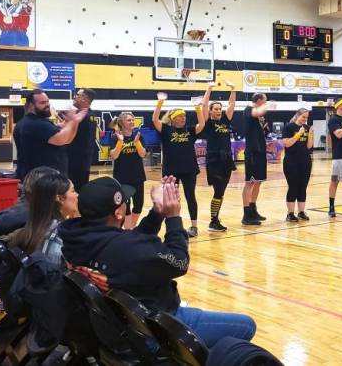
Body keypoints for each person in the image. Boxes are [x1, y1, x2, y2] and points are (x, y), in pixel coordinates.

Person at [57, 176, 257, 348]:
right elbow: (179, 262)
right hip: (153, 328)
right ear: (119, 213)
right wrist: (173, 218)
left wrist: (157, 213)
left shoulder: (76, 238)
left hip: (114, 326)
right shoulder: (125, 248)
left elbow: (129, 244)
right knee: (246, 326)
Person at [152, 85, 212, 237]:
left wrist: (198, 108)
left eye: (184, 116)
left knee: (190, 196)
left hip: (189, 169)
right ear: (173, 118)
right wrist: (160, 102)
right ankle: (173, 226)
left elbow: (202, 124)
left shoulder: (190, 131)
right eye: (180, 116)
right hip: (171, 170)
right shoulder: (166, 130)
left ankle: (194, 226)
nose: (183, 118)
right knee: (171, 199)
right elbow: (155, 119)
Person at [5, 169, 78, 266]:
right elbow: (54, 277)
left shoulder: (34, 226)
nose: (77, 195)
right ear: (60, 198)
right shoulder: (58, 236)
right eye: (73, 191)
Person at [18, 89, 87, 180]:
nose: (47, 105)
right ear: (31, 106)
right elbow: (61, 139)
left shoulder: (39, 122)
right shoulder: (34, 123)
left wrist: (74, 122)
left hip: (48, 180)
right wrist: (73, 121)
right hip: (41, 181)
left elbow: (67, 140)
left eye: (47, 102)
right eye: (42, 103)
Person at [201, 82, 236, 232]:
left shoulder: (225, 120)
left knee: (221, 192)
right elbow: (203, 106)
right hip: (214, 159)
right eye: (215, 109)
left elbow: (232, 104)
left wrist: (233, 89)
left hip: (227, 159)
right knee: (218, 191)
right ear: (210, 111)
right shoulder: (207, 122)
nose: (218, 111)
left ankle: (215, 218)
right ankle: (213, 221)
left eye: (220, 109)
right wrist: (209, 89)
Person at [109, 112, 146, 229]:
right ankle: (129, 231)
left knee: (139, 205)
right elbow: (114, 155)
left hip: (138, 176)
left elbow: (143, 154)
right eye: (129, 120)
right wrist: (120, 141)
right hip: (122, 177)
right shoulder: (115, 137)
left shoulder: (139, 136)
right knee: (126, 206)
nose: (132, 122)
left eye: (132, 120)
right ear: (121, 123)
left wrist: (137, 143)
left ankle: (131, 229)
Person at [241, 93, 274, 225]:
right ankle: (246, 213)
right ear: (259, 101)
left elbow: (264, 127)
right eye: (264, 101)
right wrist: (269, 104)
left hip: (260, 151)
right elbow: (258, 111)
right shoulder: (249, 110)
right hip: (252, 152)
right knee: (250, 182)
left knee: (258, 181)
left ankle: (253, 208)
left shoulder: (260, 117)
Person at [282, 108, 313, 222]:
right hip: (291, 161)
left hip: (305, 161)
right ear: (297, 116)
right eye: (303, 117)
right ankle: (290, 213)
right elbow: (287, 144)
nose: (305, 119)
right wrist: (298, 135)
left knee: (303, 187)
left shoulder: (307, 128)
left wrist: (310, 134)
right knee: (293, 186)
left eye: (307, 117)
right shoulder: (289, 127)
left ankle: (301, 212)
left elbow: (309, 146)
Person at [67, 88, 97, 192]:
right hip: (83, 162)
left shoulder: (81, 117)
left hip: (75, 162)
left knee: (73, 192)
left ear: (85, 99)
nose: (74, 97)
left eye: (78, 95)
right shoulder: (92, 115)